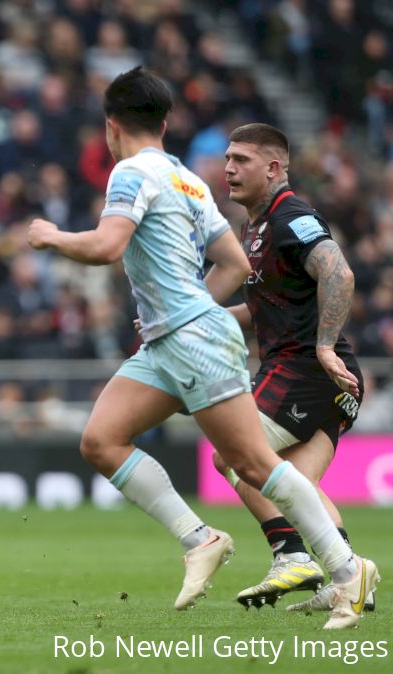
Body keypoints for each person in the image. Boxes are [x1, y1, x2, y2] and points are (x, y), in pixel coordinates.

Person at [27, 67, 377, 630]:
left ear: (111, 127)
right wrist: (185, 307)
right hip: (172, 336)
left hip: (201, 341)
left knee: (251, 463)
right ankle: (202, 538)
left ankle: (343, 570)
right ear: (164, 123)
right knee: (101, 440)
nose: (231, 168)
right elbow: (234, 265)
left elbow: (106, 246)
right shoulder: (187, 179)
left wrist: (52, 237)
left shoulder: (130, 173)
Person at [215, 122, 374, 613]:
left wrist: (325, 346)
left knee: (233, 453)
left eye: (241, 159)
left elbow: (338, 270)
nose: (228, 168)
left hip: (308, 370)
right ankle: (352, 579)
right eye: (227, 159)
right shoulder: (256, 227)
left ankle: (290, 556)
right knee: (296, 488)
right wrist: (199, 317)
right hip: (323, 378)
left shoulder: (292, 216)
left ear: (274, 167)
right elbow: (262, 310)